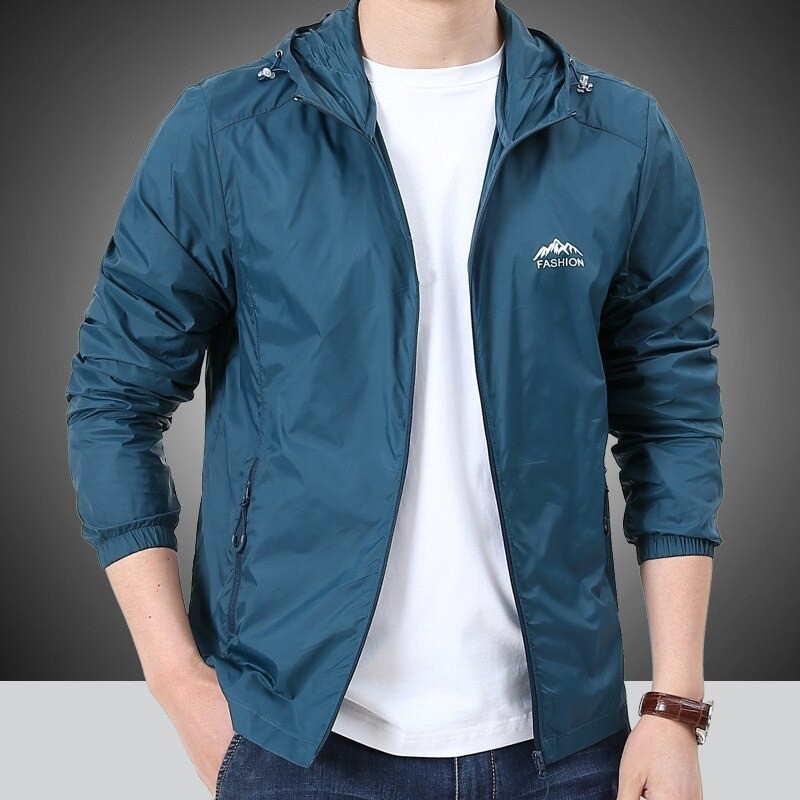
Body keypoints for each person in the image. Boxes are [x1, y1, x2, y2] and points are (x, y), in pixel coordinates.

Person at [65, 0, 723, 798]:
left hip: (570, 752)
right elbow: (113, 399)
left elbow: (673, 421)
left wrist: (675, 704)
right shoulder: (227, 133)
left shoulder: (619, 138)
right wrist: (178, 682)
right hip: (292, 743)